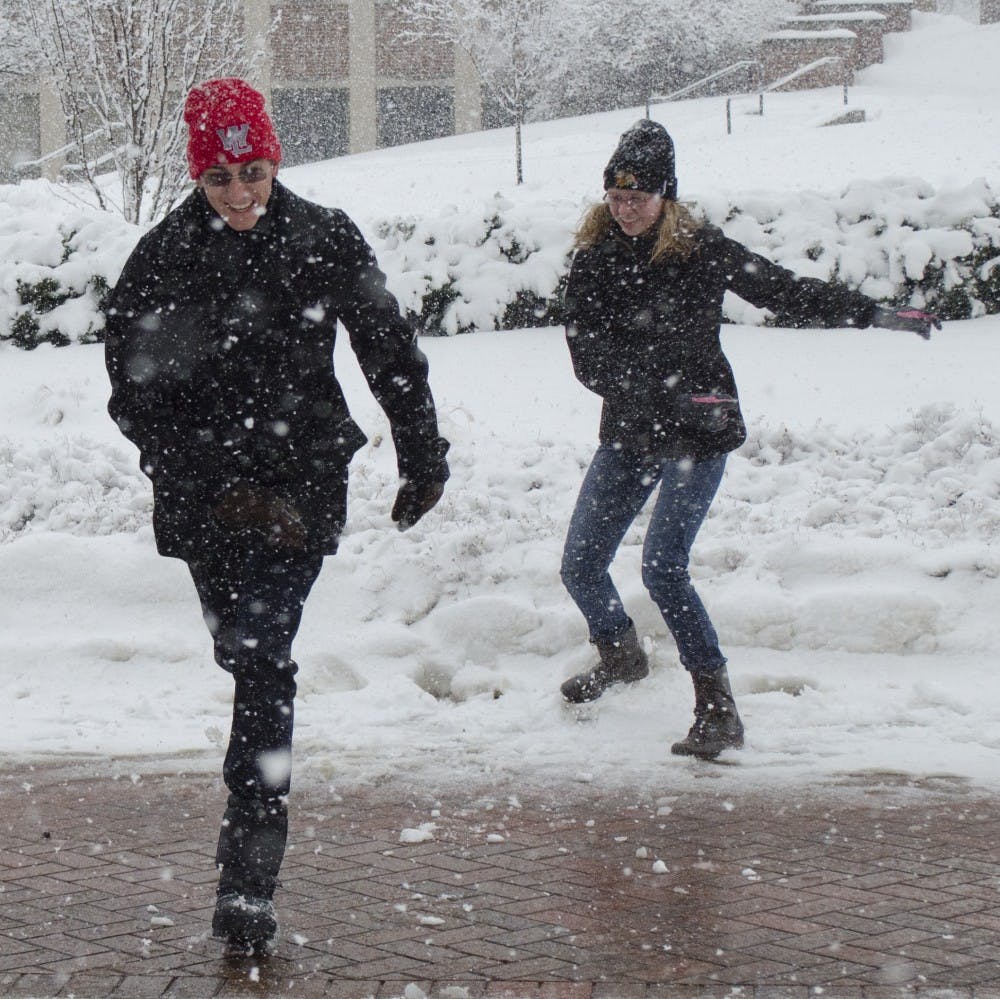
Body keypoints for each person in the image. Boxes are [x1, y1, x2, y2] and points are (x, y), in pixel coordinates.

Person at [103, 78, 450, 951]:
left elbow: (388, 349)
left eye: (253, 171)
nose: (241, 194)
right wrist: (208, 476)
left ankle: (249, 876)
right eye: (220, 179)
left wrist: (422, 451)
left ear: (274, 158)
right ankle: (250, 822)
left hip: (299, 484)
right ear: (198, 176)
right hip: (205, 500)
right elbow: (133, 391)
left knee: (262, 661)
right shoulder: (166, 254)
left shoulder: (321, 236)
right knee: (242, 649)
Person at [558, 119, 937, 761]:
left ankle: (717, 706)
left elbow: (782, 292)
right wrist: (653, 392)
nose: (624, 210)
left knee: (663, 568)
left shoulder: (702, 249)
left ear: (666, 197)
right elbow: (585, 353)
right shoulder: (594, 258)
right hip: (630, 429)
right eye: (616, 198)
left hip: (700, 433)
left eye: (638, 198)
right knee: (580, 566)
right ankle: (621, 658)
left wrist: (872, 313)